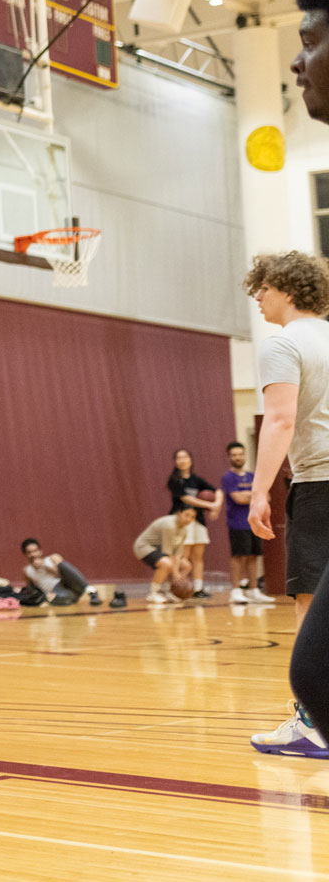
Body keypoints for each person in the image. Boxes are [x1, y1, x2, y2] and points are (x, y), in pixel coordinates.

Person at [243, 244, 329, 755]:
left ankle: (311, 723)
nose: (258, 297)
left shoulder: (284, 344)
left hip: (319, 487)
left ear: (289, 291)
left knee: (310, 605)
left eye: (264, 288)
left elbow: (279, 420)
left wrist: (259, 491)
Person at [221, 441, 274, 605]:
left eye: (240, 454)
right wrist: (255, 495)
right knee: (238, 556)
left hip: (255, 521)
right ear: (229, 457)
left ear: (244, 455)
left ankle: (253, 590)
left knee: (254, 556)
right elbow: (238, 498)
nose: (238, 457)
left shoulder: (253, 476)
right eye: (234, 455)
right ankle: (236, 591)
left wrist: (250, 495)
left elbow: (268, 497)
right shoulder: (228, 477)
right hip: (237, 523)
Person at [166, 449, 221, 598]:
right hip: (182, 521)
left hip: (198, 521)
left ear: (191, 460)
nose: (182, 460)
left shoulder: (196, 480)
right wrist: (209, 505)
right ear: (176, 462)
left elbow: (217, 491)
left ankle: (198, 588)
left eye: (185, 457)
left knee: (198, 556)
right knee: (183, 557)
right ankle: (177, 588)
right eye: (178, 458)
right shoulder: (174, 480)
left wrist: (217, 505)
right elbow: (186, 499)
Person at [132, 508, 197, 605]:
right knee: (167, 564)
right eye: (186, 515)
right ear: (179, 514)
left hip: (160, 550)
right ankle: (153, 593)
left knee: (186, 566)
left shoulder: (183, 530)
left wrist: (179, 576)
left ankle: (169, 591)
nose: (189, 519)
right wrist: (175, 573)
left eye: (192, 517)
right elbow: (169, 554)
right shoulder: (169, 525)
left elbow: (178, 554)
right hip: (144, 547)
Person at [19, 538, 98, 606]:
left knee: (62, 564)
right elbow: (32, 590)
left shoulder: (52, 558)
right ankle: (67, 599)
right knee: (52, 598)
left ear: (40, 551)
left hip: (69, 584)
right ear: (25, 554)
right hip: (58, 592)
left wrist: (44, 566)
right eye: (29, 552)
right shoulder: (26, 570)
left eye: (35, 551)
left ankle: (91, 591)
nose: (33, 554)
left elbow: (63, 575)